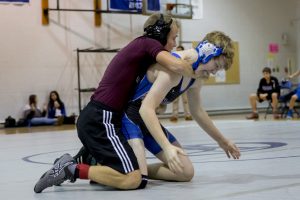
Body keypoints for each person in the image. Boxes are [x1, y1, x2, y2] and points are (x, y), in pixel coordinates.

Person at [34, 13, 199, 193]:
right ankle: (71, 169)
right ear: (160, 34)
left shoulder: (143, 48)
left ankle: (86, 160)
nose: (175, 43)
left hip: (103, 117)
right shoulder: (148, 43)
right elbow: (176, 65)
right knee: (134, 179)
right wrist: (198, 59)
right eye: (173, 37)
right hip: (102, 118)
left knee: (133, 176)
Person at [75, 31, 240, 186]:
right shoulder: (174, 67)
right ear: (208, 52)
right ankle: (97, 164)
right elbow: (146, 109)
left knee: (185, 172)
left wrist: (222, 141)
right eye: (217, 65)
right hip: (129, 117)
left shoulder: (195, 77)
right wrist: (167, 148)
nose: (214, 72)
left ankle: (123, 166)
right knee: (138, 179)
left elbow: (197, 111)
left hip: (146, 120)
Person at [170, 45, 192, 122]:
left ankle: (188, 115)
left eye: (180, 50)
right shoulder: (173, 59)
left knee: (185, 100)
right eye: (177, 50)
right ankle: (174, 115)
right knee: (175, 100)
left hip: (184, 81)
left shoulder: (186, 60)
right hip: (175, 82)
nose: (178, 51)